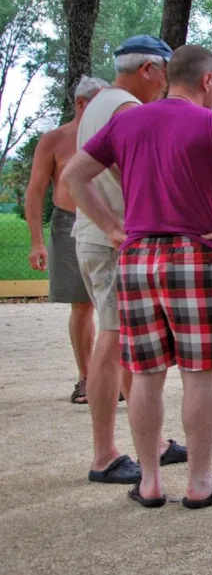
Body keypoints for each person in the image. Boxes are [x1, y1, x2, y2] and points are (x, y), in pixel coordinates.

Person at [63, 44, 212, 508]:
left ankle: (150, 481)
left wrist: (115, 228)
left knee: (146, 374)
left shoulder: (127, 121)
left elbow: (75, 176)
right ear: (208, 81)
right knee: (198, 374)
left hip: (135, 258)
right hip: (192, 253)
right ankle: (200, 482)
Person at [73, 35, 187, 486]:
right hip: (113, 240)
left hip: (103, 236)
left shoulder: (102, 103)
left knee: (124, 340)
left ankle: (151, 443)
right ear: (147, 69)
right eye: (164, 73)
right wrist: (121, 227)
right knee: (114, 337)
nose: (165, 84)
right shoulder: (126, 110)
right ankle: (104, 455)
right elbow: (135, 173)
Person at [25, 76, 107, 404]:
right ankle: (86, 377)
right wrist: (36, 242)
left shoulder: (112, 134)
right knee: (83, 304)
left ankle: (111, 376)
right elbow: (35, 189)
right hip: (68, 224)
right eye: (101, 103)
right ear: (82, 104)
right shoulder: (55, 139)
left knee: (114, 304)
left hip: (109, 222)